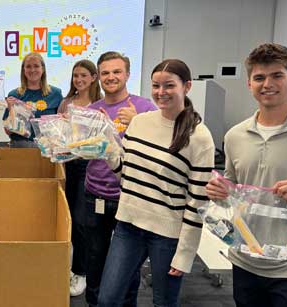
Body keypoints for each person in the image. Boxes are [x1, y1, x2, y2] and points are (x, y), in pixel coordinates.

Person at [206, 43, 287, 307]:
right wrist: (220, 193)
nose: (267, 84)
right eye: (259, 77)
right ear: (249, 84)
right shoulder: (235, 136)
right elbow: (232, 192)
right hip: (246, 260)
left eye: (277, 75)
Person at [97, 59, 214, 307]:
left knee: (163, 302)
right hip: (127, 225)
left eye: (169, 85)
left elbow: (198, 202)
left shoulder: (199, 137)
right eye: (156, 86)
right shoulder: (140, 122)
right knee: (107, 299)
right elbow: (125, 174)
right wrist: (105, 145)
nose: (161, 92)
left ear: (187, 86)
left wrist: (184, 254)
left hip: (167, 235)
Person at [82, 51, 157, 307]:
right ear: (98, 78)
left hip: (131, 197)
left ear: (127, 74)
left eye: (116, 72)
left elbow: (162, 148)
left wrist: (137, 123)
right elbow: (81, 150)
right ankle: (94, 303)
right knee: (95, 258)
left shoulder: (145, 108)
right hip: (95, 195)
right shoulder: (91, 111)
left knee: (128, 264)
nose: (111, 77)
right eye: (105, 73)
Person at [56, 59, 102, 297]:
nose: (79, 80)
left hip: (90, 166)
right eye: (76, 76)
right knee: (69, 218)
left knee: (83, 220)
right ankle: (70, 267)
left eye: (84, 75)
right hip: (68, 165)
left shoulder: (100, 104)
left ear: (94, 77)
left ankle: (81, 271)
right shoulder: (66, 102)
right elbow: (58, 137)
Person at [4, 52, 63, 147]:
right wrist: (11, 110)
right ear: (23, 70)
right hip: (20, 148)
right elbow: (8, 131)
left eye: (36, 66)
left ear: (42, 69)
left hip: (48, 148)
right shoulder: (14, 95)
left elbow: (61, 127)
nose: (32, 70)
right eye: (28, 66)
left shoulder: (56, 94)